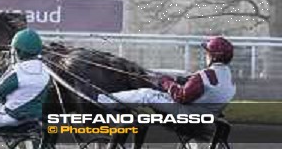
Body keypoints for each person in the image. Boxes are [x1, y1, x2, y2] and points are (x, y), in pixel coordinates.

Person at [97, 36, 236, 114]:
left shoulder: (205, 75)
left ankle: (103, 100)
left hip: (188, 112)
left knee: (146, 94)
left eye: (207, 53)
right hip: (208, 111)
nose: (206, 55)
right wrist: (183, 80)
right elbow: (202, 86)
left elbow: (181, 96)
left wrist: (166, 82)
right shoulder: (228, 76)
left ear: (213, 57)